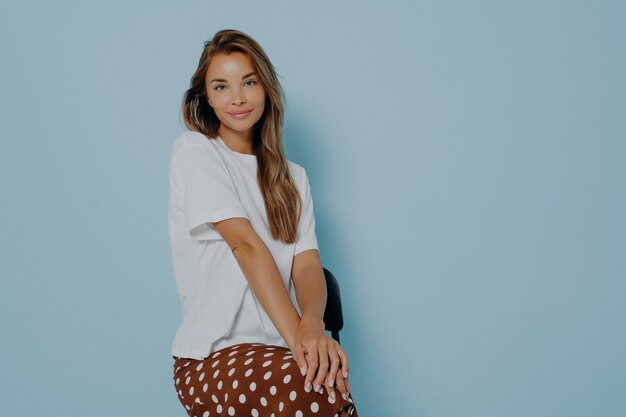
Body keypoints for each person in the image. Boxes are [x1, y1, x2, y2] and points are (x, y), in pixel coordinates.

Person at [168, 29, 358, 417]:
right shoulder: (196, 152)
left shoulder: (294, 178)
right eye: (221, 86)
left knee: (327, 380)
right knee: (315, 386)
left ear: (266, 88)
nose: (237, 98)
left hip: (281, 349)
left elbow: (306, 265)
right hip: (212, 357)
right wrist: (304, 345)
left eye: (248, 82)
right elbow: (245, 245)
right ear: (206, 97)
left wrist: (311, 326)